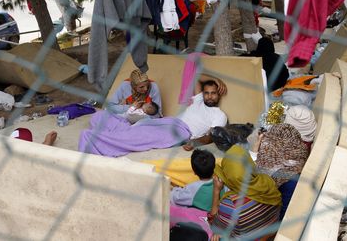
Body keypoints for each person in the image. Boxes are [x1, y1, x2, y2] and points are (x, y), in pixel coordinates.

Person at [78, 74, 227, 157]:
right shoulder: (199, 100)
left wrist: (194, 143)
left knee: (136, 136)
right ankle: (107, 135)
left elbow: (212, 135)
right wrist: (216, 80)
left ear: (218, 95)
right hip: (168, 121)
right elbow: (198, 76)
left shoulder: (219, 115)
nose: (209, 96)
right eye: (207, 93)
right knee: (100, 117)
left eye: (213, 93)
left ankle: (95, 140)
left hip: (180, 131)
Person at [209, 145, 282, 240]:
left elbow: (213, 224)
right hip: (270, 234)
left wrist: (216, 190)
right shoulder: (267, 182)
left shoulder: (231, 204)